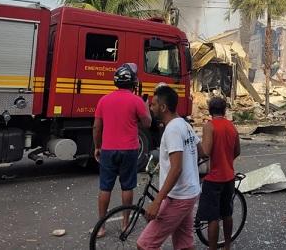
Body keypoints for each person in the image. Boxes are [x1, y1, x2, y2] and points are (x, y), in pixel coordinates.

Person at [137, 85, 202, 250]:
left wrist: (157, 201)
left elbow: (176, 168)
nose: (151, 108)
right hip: (189, 192)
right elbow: (201, 151)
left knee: (145, 245)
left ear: (163, 107)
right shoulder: (184, 124)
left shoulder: (172, 129)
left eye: (153, 104)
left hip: (179, 197)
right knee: (184, 244)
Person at [93, 63, 151, 238]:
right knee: (127, 186)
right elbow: (147, 123)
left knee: (105, 188)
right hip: (130, 150)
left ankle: (101, 228)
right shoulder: (136, 101)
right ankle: (125, 224)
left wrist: (97, 146)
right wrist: (145, 105)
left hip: (108, 150)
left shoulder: (103, 100)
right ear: (133, 82)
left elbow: (96, 127)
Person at [198, 97, 241, 250]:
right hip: (229, 177)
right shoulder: (231, 126)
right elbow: (237, 151)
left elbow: (206, 152)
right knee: (227, 213)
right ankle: (227, 245)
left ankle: (212, 248)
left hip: (213, 178)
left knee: (212, 217)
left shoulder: (210, 126)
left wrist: (197, 148)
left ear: (210, 110)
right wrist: (227, 161)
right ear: (224, 110)